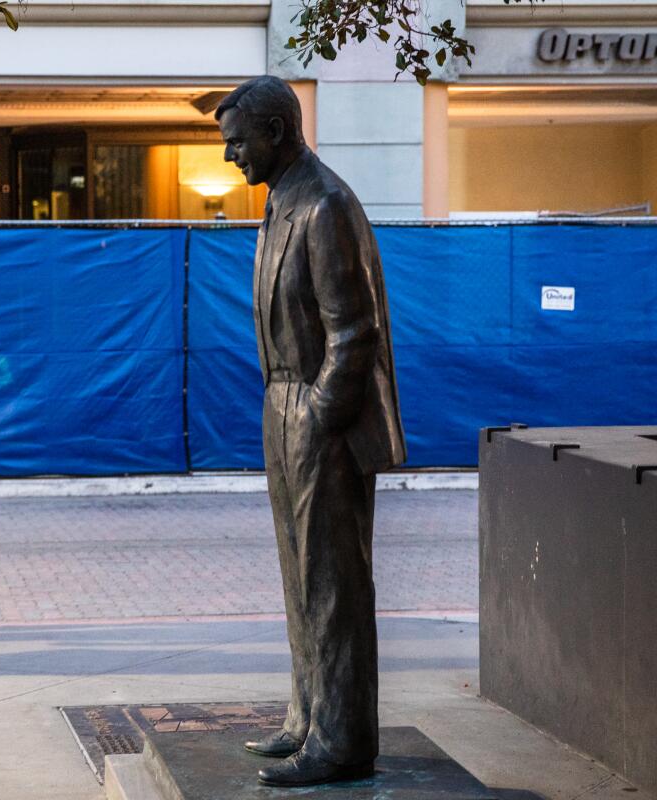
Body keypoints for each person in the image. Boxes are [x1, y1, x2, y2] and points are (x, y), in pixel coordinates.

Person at [215, 77, 407, 786]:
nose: (231, 155)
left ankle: (343, 738)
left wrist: (321, 416)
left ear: (276, 129)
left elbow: (354, 332)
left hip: (320, 416)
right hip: (283, 405)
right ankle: (308, 715)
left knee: (333, 582)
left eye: (238, 140)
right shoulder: (281, 202)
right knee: (300, 576)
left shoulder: (323, 204)